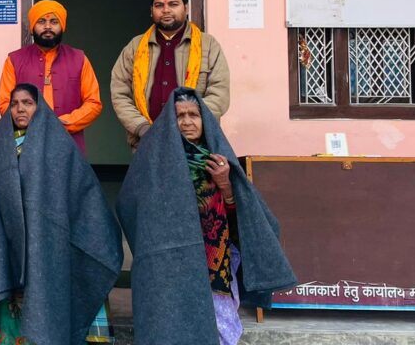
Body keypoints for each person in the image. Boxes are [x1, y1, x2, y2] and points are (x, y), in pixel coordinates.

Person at [117, 88, 296, 345]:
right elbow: (129, 205)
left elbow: (245, 217)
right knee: (170, 326)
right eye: (179, 116)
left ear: (205, 120)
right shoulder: (153, 161)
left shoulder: (219, 160)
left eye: (194, 115)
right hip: (168, 265)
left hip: (214, 263)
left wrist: (225, 185)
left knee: (219, 328)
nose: (187, 122)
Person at [0, 84, 123, 344]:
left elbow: (83, 195)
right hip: (12, 248)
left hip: (53, 246)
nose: (20, 109)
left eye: (28, 103)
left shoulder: (60, 146)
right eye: (14, 104)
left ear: (40, 107)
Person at [110, 0, 230, 149]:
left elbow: (219, 92)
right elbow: (120, 94)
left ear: (186, 8)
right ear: (151, 11)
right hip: (147, 142)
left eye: (173, 4)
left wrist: (188, 124)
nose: (166, 10)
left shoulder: (208, 46)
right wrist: (143, 128)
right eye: (159, 5)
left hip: (196, 145)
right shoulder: (135, 48)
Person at [0, 0, 102, 155]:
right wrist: (31, 124)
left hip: (68, 142)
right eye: (41, 21)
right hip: (25, 142)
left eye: (54, 22)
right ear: (32, 27)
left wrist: (63, 124)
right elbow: (5, 103)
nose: (47, 27)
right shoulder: (14, 60)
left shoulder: (79, 59)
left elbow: (93, 103)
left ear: (62, 26)